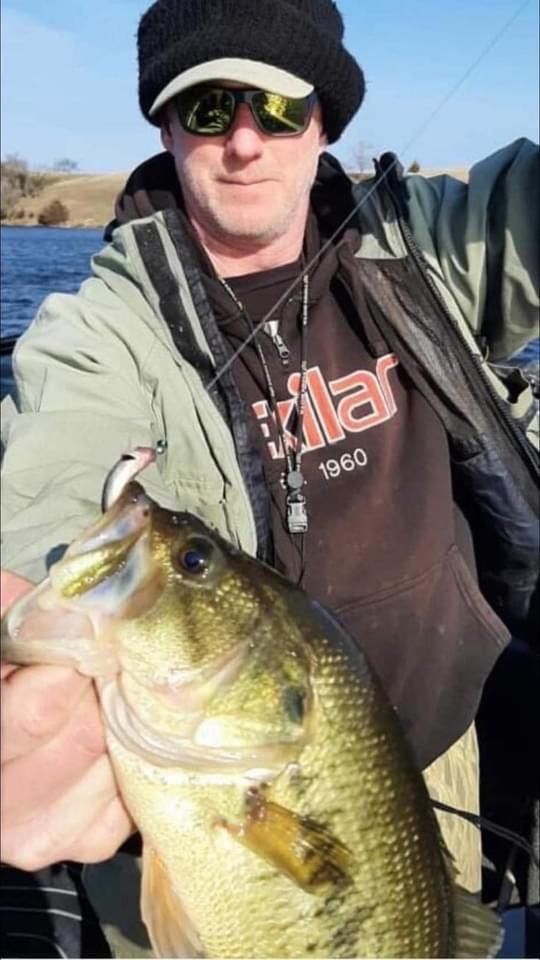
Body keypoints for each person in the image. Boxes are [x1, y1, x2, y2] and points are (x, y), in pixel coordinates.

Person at [1, 0, 538, 953]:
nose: (244, 141)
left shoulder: (421, 247)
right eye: (207, 108)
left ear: (323, 120)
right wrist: (32, 668)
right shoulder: (99, 332)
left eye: (279, 108)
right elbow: (49, 504)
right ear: (167, 129)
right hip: (210, 812)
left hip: (441, 767)